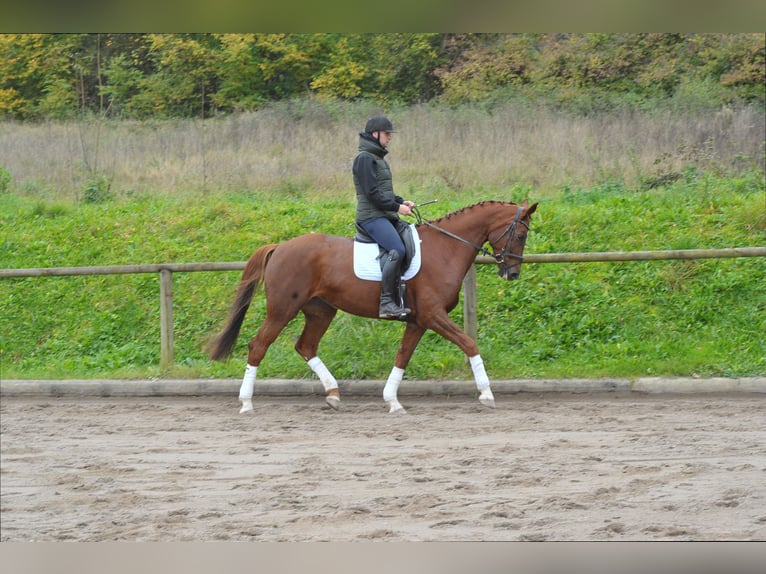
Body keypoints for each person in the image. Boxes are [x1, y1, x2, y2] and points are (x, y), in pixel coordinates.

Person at [353, 114, 415, 319]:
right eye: (387, 134)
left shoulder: (377, 158)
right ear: (375, 134)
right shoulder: (364, 159)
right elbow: (372, 194)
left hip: (383, 214)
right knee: (396, 248)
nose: (390, 138)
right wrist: (397, 207)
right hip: (371, 217)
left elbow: (384, 193)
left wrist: (401, 201)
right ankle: (387, 302)